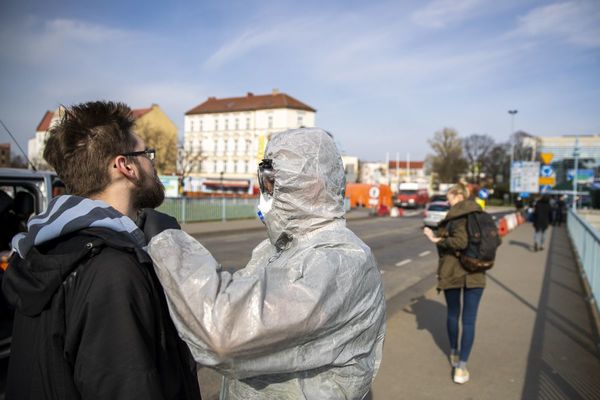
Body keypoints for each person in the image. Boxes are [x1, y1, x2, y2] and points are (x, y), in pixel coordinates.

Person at [142, 128, 386, 399]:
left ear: (315, 184)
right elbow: (236, 298)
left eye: (273, 181)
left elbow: (225, 334)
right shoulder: (279, 248)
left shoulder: (339, 260)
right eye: (264, 181)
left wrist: (170, 245)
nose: (266, 191)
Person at [2, 101, 201, 400]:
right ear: (125, 166)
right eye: (147, 155)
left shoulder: (38, 251)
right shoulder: (113, 269)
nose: (153, 164)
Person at [423, 183, 484, 385]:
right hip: (476, 273)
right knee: (469, 320)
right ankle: (462, 367)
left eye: (449, 197)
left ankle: (455, 354)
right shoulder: (480, 214)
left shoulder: (457, 215)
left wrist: (436, 239)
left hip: (453, 272)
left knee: (453, 314)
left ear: (458, 195)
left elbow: (460, 242)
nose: (447, 201)